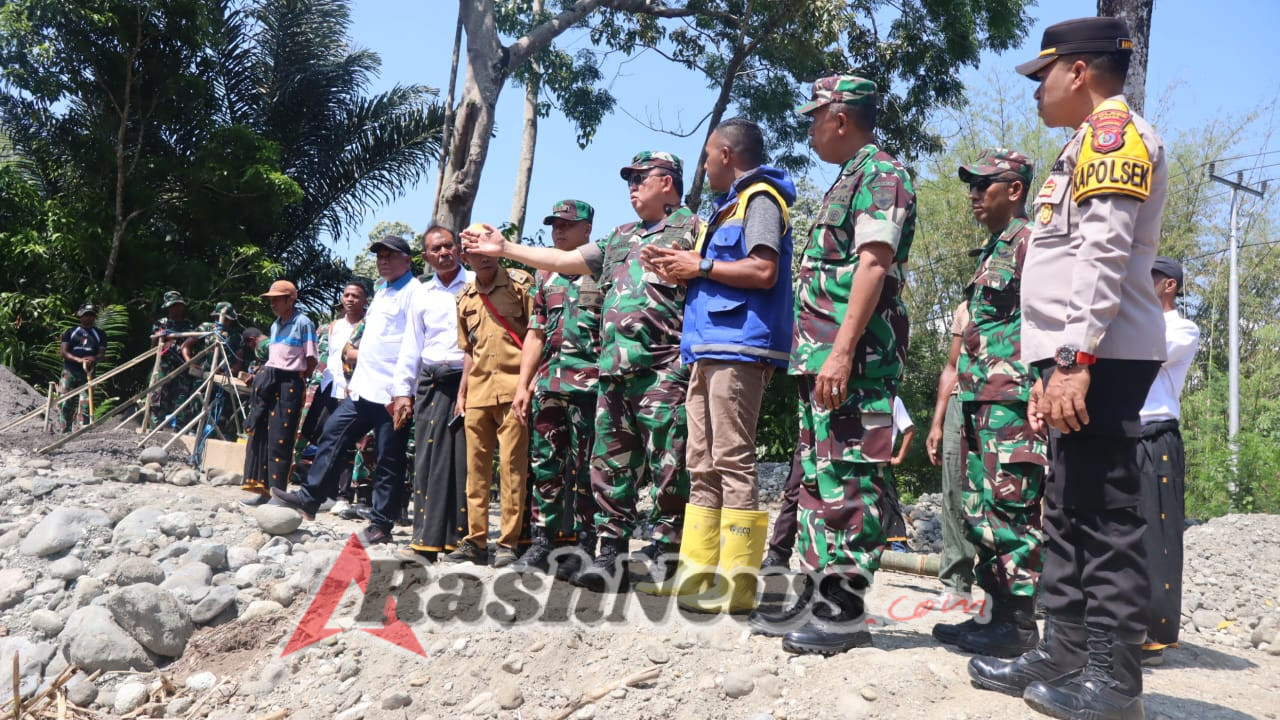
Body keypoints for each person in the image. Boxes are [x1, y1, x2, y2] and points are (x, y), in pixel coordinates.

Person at [967, 18, 1169, 720]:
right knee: (1067, 509)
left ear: (1079, 71)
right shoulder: (1078, 148)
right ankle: (1064, 651)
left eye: (1042, 75)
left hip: (1103, 354)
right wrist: (1048, 370)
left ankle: (1113, 681)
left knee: (1106, 513)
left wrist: (1075, 362)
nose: (1036, 90)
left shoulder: (1117, 137)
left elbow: (1105, 257)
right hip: (1074, 356)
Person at [462, 150, 703, 592]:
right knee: (608, 469)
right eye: (627, 177)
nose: (631, 185)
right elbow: (565, 262)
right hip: (612, 374)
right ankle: (611, 557)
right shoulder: (620, 237)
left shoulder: (695, 229)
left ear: (667, 181)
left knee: (670, 466)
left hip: (663, 371)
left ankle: (669, 556)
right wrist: (506, 249)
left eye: (639, 176)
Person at [748, 75, 916, 655]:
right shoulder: (847, 180)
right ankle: (823, 599)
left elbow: (873, 265)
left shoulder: (881, 174)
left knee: (851, 479)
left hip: (855, 360)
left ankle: (843, 610)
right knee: (822, 482)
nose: (810, 128)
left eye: (814, 116)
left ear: (839, 118)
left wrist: (842, 349)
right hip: (821, 359)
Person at [636, 118, 795, 614]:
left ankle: (738, 585)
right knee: (700, 464)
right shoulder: (728, 207)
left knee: (731, 459)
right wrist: (679, 265)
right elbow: (719, 275)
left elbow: (764, 271)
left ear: (726, 154)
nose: (704, 165)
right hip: (708, 347)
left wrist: (699, 266)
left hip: (739, 349)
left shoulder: (761, 200)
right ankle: (697, 578)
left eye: (707, 155)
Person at [933, 148, 1048, 659]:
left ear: (1015, 190)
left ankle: (1020, 629)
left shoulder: (1032, 243)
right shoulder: (994, 249)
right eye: (971, 186)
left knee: (1013, 510)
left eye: (985, 184)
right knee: (981, 510)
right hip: (981, 399)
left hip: (1014, 401)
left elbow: (1054, 317)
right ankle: (996, 617)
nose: (974, 194)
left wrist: (1046, 384)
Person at [271, 235, 425, 547]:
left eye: (391, 255)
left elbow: (414, 343)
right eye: (380, 255)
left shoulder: (415, 293)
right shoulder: (381, 292)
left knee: (387, 459)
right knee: (332, 433)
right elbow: (371, 340)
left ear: (407, 260)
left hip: (393, 393)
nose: (383, 260)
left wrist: (404, 391)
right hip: (365, 387)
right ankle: (311, 497)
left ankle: (381, 524)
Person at [508, 200, 603, 577]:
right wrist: (523, 384)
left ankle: (584, 544)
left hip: (591, 385)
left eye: (567, 224)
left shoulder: (603, 271)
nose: (558, 231)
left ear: (587, 230)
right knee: (545, 466)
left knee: (588, 469)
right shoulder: (545, 277)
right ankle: (542, 542)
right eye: (554, 225)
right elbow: (536, 333)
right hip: (549, 384)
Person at [397, 226, 474, 562]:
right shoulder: (421, 293)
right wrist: (403, 392)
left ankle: (461, 540)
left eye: (448, 246)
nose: (443, 253)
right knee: (427, 459)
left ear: (457, 248)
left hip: (468, 381)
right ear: (426, 257)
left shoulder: (476, 283)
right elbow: (411, 345)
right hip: (430, 383)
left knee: (462, 460)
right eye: (435, 249)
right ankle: (426, 541)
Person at [1138, 256, 1199, 666]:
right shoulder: (1138, 322)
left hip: (1157, 436)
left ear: (1170, 285)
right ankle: (1120, 622)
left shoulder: (1181, 328)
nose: (1145, 281)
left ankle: (1155, 631)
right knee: (1121, 529)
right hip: (1123, 434)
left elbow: (1146, 353)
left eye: (1153, 276)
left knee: (1156, 533)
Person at [241, 280, 318, 505]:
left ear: (290, 299)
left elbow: (311, 358)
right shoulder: (275, 325)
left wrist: (299, 380)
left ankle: (278, 493)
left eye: (277, 299)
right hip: (270, 380)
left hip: (290, 383)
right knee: (261, 435)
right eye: (271, 299)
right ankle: (262, 490)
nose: (273, 303)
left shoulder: (303, 323)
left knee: (281, 439)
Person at [298, 279, 370, 515]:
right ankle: (324, 492)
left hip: (354, 388)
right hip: (329, 386)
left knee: (349, 441)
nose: (349, 299)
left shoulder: (368, 326)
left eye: (355, 296)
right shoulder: (332, 326)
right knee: (323, 436)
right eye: (346, 294)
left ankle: (344, 495)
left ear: (365, 300)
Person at [925, 301, 979, 609]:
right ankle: (957, 586)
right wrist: (937, 423)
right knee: (954, 493)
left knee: (1006, 495)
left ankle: (1010, 591)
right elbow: (951, 367)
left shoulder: (1031, 291)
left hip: (1006, 398)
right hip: (961, 403)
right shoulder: (965, 308)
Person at [148, 291, 195, 428]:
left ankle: (180, 431)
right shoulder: (161, 323)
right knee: (158, 398)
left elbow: (192, 343)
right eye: (173, 306)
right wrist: (160, 337)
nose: (176, 308)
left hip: (181, 367)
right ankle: (155, 429)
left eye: (178, 305)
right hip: (163, 365)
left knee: (181, 400)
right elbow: (153, 347)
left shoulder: (189, 325)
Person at [59, 304, 108, 433]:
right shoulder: (70, 332)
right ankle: (64, 430)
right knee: (66, 402)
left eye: (91, 314)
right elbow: (63, 352)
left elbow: (101, 354)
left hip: (89, 373)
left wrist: (93, 359)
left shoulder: (100, 334)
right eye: (86, 314)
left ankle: (81, 431)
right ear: (80, 316)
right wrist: (79, 360)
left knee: (86, 403)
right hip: (70, 371)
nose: (89, 317)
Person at [880, 396, 916, 550]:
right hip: (855, 464)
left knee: (889, 505)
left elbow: (909, 429)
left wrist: (899, 457)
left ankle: (896, 547)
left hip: (882, 464)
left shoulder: (892, 399)